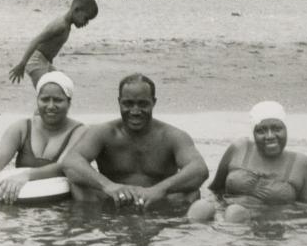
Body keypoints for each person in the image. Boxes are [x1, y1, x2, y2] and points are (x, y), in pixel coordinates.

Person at [62, 73, 208, 212]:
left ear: (154, 103)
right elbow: (71, 162)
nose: (135, 111)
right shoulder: (103, 132)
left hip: (158, 203)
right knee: (77, 185)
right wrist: (108, 186)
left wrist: (159, 189)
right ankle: (97, 219)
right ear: (119, 102)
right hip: (112, 200)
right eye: (128, 104)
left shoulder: (172, 136)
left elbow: (199, 170)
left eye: (143, 104)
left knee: (191, 192)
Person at [0, 71, 86, 204]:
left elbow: (65, 166)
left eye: (58, 100)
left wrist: (26, 176)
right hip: (22, 203)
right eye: (45, 99)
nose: (50, 106)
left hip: (60, 204)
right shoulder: (22, 127)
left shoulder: (79, 131)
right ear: (37, 100)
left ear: (69, 103)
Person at [207, 101, 307, 222]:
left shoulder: (300, 163)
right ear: (253, 133)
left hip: (273, 224)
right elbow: (215, 189)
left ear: (286, 129)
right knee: (202, 208)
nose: (269, 136)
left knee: (235, 213)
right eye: (261, 131)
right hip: (230, 220)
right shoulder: (239, 148)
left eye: (276, 129)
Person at [8, 0, 98, 87]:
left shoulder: (67, 26)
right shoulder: (60, 25)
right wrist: (22, 64)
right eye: (86, 18)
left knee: (62, 85)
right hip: (35, 62)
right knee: (48, 88)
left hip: (44, 62)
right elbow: (36, 41)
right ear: (76, 10)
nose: (86, 23)